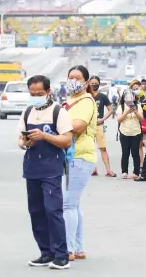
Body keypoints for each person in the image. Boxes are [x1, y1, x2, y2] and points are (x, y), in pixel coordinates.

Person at [18, 75, 72, 270]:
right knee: (36, 212)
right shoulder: (27, 113)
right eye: (32, 94)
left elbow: (66, 141)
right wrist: (26, 142)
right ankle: (46, 252)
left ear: (48, 92)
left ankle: (61, 255)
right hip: (32, 168)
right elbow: (20, 141)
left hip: (51, 169)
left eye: (39, 94)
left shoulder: (59, 112)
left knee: (53, 210)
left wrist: (45, 136)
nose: (35, 97)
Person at [64, 65, 97, 261]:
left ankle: (68, 249)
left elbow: (78, 126)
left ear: (86, 82)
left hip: (80, 156)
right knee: (73, 205)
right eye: (70, 77)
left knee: (67, 204)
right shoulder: (70, 100)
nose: (73, 80)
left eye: (77, 77)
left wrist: (56, 127)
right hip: (71, 156)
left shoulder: (85, 101)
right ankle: (78, 247)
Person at [89, 76, 116, 177]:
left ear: (99, 84)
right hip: (88, 127)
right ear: (88, 84)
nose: (94, 85)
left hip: (99, 125)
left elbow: (110, 110)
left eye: (96, 83)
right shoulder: (86, 96)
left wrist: (103, 119)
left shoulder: (102, 97)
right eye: (92, 83)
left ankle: (108, 170)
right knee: (90, 149)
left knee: (103, 148)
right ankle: (93, 169)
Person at [117, 84, 144, 179]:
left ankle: (136, 172)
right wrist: (126, 112)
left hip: (136, 132)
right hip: (124, 132)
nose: (129, 99)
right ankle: (124, 171)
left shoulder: (138, 106)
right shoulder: (121, 107)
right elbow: (119, 120)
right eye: (127, 97)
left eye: (131, 97)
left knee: (135, 153)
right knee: (125, 153)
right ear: (124, 98)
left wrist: (135, 111)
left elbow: (142, 119)